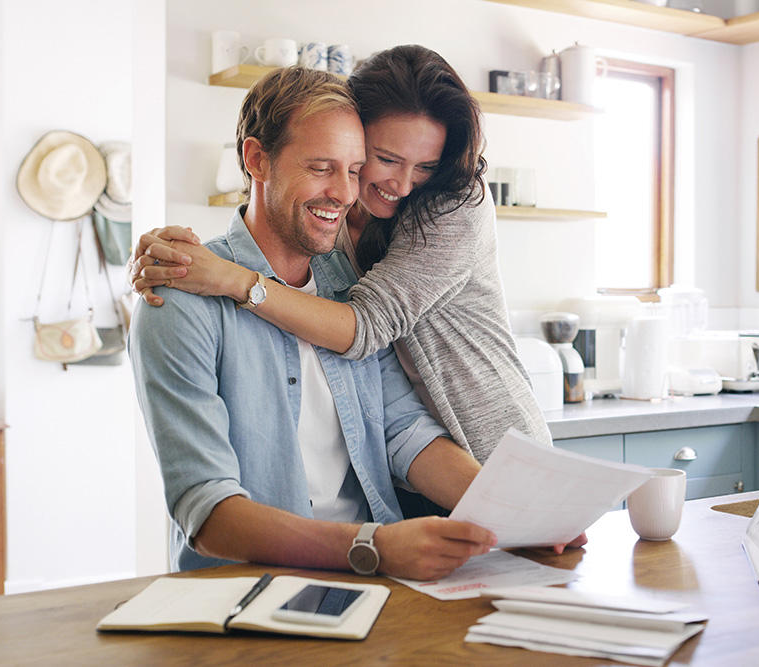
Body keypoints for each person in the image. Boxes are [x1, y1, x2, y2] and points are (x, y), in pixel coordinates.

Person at [129, 66, 502, 580]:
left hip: (373, 578)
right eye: (321, 167)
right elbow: (207, 510)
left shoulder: (348, 287)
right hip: (248, 591)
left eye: (354, 170)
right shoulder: (180, 298)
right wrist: (374, 546)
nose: (345, 193)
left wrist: (515, 512)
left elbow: (403, 430)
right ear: (257, 159)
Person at [129, 45, 551, 468]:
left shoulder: (453, 207)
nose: (404, 185)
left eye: (425, 166)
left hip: (493, 449)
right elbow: (273, 209)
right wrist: (169, 251)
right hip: (408, 467)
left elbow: (365, 326)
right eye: (385, 159)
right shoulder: (338, 219)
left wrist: (230, 278)